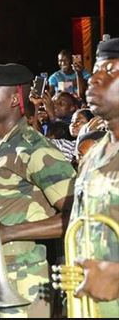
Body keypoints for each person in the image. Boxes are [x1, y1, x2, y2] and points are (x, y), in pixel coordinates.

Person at [0, 63, 77, 317]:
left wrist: (9, 232)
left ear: (15, 99)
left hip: (23, 284)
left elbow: (78, 216)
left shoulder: (35, 149)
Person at [68, 37, 119, 317]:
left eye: (110, 70)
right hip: (90, 305)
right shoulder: (94, 152)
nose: (94, 78)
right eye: (96, 69)